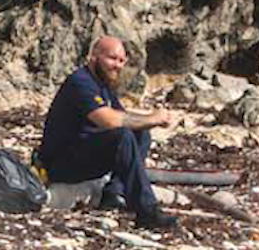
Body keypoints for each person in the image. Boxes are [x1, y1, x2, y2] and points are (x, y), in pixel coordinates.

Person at [37, 36, 178, 230]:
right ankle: (147, 211)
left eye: (121, 61)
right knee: (122, 136)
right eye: (112, 58)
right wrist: (153, 118)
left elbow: (122, 115)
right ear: (94, 57)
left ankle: (113, 193)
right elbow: (108, 120)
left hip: (82, 155)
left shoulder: (103, 86)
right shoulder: (80, 82)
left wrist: (151, 120)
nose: (118, 65)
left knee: (141, 134)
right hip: (61, 164)